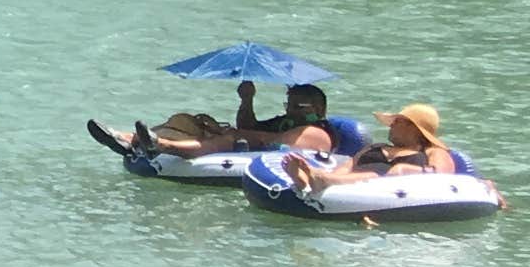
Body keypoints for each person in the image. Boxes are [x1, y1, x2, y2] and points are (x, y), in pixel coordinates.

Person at [96, 81, 354, 157]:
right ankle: (129, 139)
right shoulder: (285, 121)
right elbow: (250, 127)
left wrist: (224, 133)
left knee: (230, 138)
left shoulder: (318, 130)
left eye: (300, 106)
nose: (292, 110)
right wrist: (247, 99)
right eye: (289, 104)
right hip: (252, 144)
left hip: (270, 154)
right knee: (187, 120)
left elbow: (265, 139)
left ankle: (162, 145)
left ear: (319, 108)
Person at [282, 104, 468, 188]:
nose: (392, 124)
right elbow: (347, 167)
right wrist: (330, 175)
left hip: (390, 189)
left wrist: (405, 169)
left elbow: (442, 174)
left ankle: (320, 180)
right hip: (350, 185)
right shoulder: (375, 148)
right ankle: (312, 181)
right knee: (338, 175)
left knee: (375, 174)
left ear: (415, 129)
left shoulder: (433, 152)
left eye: (398, 121)